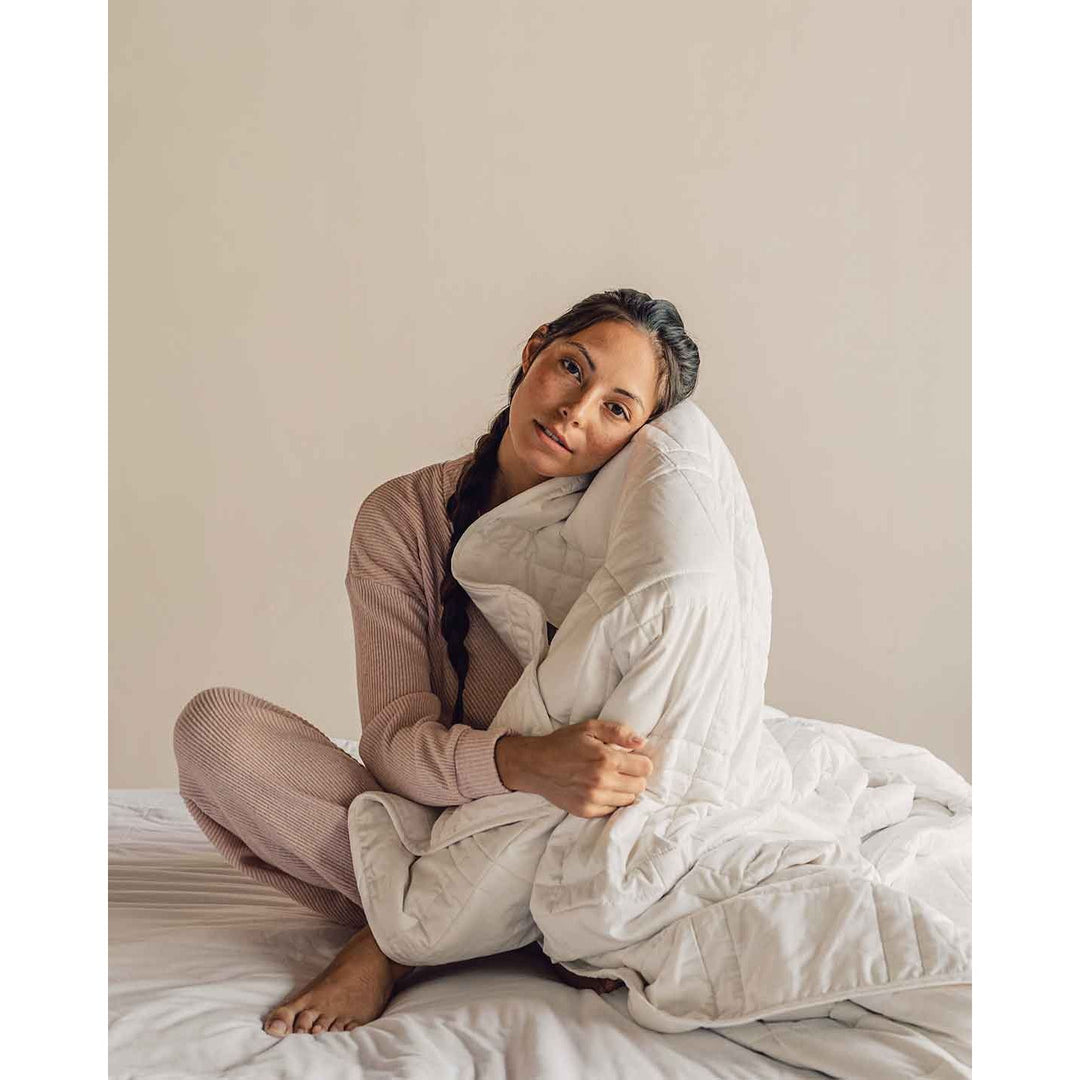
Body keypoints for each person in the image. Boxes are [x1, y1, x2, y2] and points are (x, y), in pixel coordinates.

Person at [172, 287, 701, 1037]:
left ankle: (400, 939)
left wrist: (557, 775)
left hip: (562, 828)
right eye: (571, 368)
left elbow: (620, 765)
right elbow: (392, 745)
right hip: (442, 805)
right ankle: (453, 924)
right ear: (533, 350)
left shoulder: (635, 540)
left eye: (618, 408)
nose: (575, 411)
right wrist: (522, 761)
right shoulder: (402, 516)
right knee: (217, 733)